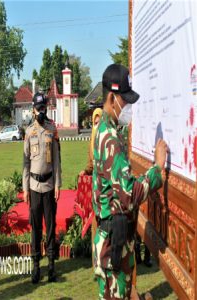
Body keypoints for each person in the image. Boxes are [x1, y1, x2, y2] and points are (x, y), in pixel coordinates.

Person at [92, 64, 167, 299]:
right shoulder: (111, 139)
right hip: (112, 241)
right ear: (112, 97)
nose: (128, 107)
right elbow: (129, 193)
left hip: (116, 237)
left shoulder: (108, 129)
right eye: (124, 100)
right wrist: (157, 169)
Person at [23, 92, 62, 284]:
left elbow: (57, 160)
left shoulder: (52, 129)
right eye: (38, 108)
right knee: (36, 229)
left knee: (51, 227)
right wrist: (25, 188)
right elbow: (25, 163)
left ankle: (52, 268)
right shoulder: (29, 131)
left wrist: (57, 184)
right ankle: (36, 267)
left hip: (48, 186)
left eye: (44, 107)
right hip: (34, 186)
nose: (41, 111)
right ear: (32, 110)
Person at [79, 108, 103, 269]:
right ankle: (97, 263)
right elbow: (90, 162)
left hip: (106, 188)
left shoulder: (107, 139)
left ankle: (104, 259)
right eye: (94, 123)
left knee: (104, 226)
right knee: (95, 225)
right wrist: (86, 171)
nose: (95, 125)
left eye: (98, 122)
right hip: (95, 186)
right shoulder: (92, 140)